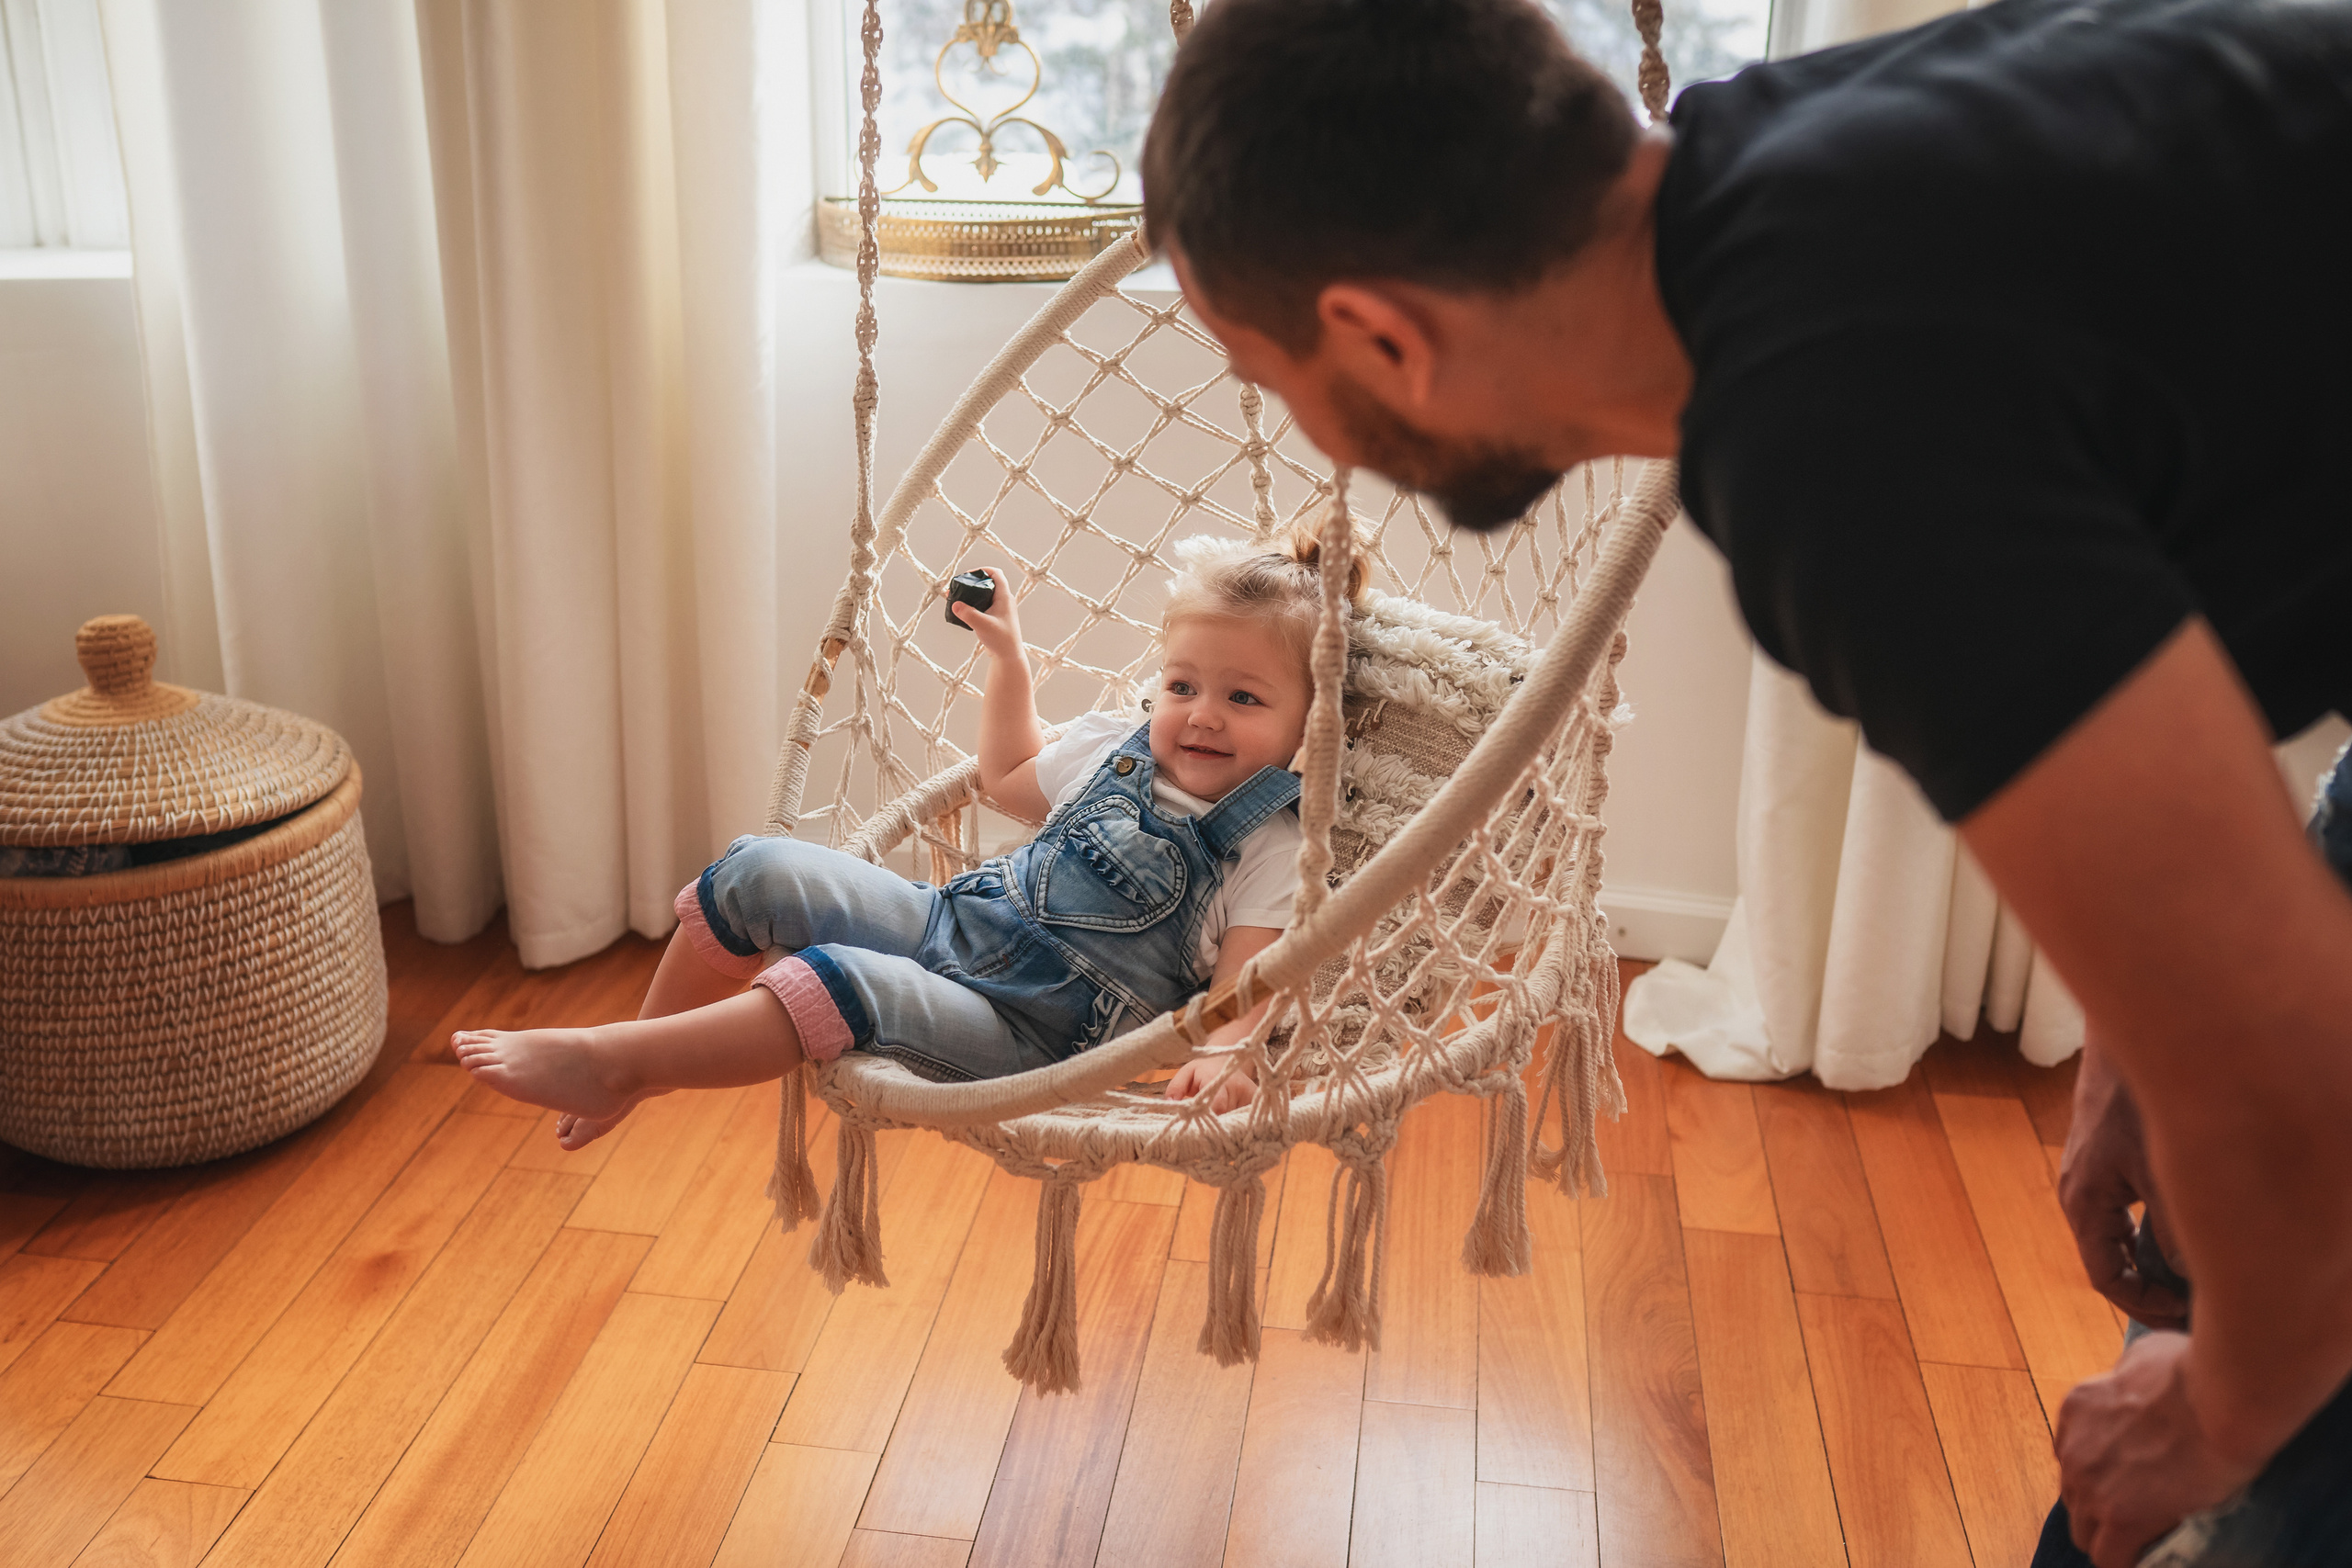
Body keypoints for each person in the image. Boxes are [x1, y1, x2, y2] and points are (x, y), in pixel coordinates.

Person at [1136, 0, 2352, 1562]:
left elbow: (2299, 1086)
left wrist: (2223, 1414)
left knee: (2225, 1480)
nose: (1326, 449)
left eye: (1274, 376)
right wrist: (2144, 1015)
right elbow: (2208, 519)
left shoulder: (1834, 425)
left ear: (1383, 336)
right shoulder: (1791, 167)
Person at [453, 530, 1372, 1154]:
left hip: (1032, 1033)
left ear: (1311, 723)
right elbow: (1012, 776)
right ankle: (641, 1057)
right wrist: (1010, 663)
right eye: (1182, 686)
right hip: (952, 923)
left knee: (836, 983)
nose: (1201, 716)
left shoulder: (1269, 847)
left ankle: (614, 1061)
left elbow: (1245, 984)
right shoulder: (1108, 746)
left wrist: (1225, 1055)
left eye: (1244, 699)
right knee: (754, 869)